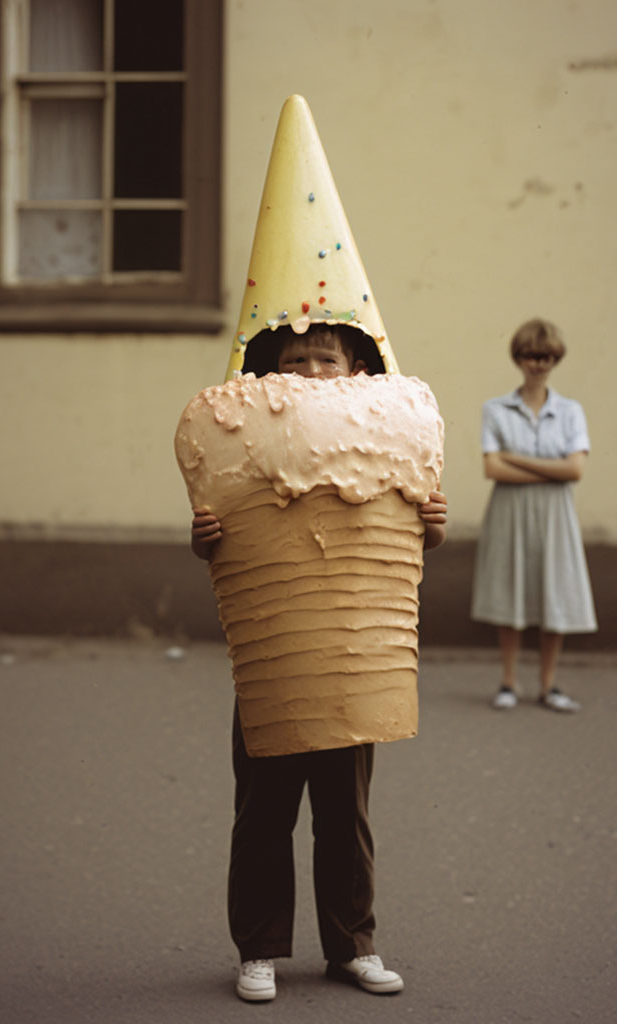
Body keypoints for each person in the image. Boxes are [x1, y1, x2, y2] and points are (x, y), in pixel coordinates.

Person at [190, 324, 448, 1002]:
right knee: (264, 813)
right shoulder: (246, 443)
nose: (309, 369)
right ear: (270, 374)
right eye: (294, 359)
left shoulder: (382, 438)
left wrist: (431, 523)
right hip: (276, 660)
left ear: (355, 368)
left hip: (352, 658)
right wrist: (206, 537)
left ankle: (352, 944)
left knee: (346, 814)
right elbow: (229, 529)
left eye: (324, 358)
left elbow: (401, 535)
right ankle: (260, 949)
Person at [470, 318, 596, 712]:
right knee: (510, 591)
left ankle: (548, 684)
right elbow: (493, 469)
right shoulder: (496, 409)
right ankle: (508, 681)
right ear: (518, 358)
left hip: (556, 516)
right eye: (529, 356)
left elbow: (575, 470)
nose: (537, 364)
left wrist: (514, 458)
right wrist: (547, 467)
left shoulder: (570, 412)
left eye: (544, 356)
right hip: (510, 511)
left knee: (554, 592)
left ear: (554, 359)